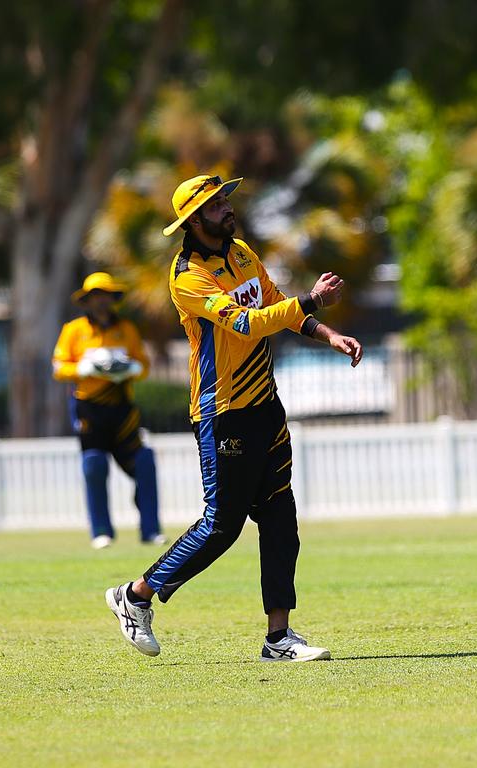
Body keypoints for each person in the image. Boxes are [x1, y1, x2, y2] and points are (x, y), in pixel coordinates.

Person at [105, 174, 363, 661]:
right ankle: (135, 596)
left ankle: (279, 639)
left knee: (280, 517)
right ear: (194, 220)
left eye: (226, 199)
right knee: (221, 526)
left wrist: (324, 331)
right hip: (222, 413)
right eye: (216, 203)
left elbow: (275, 307)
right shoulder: (187, 277)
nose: (227, 207)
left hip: (265, 404)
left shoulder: (242, 253)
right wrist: (309, 300)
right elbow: (245, 325)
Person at [52, 272, 166, 549]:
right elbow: (58, 368)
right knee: (94, 464)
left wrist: (127, 368)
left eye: (106, 295)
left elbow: (144, 365)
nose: (101, 301)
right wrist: (86, 367)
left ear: (113, 298)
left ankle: (150, 530)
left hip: (122, 409)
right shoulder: (74, 330)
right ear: (87, 301)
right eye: (95, 296)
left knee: (144, 462)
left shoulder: (126, 329)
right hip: (88, 409)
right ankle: (101, 531)